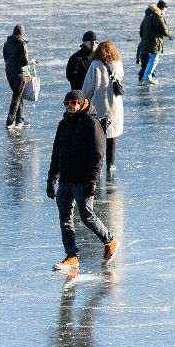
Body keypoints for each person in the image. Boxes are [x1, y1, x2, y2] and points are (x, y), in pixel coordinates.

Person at [44, 90, 116, 273]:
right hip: (66, 179)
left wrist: (92, 182)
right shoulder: (63, 124)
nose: (70, 106)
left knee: (86, 216)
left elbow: (98, 155)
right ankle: (71, 256)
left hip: (82, 180)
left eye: (73, 102)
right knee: (65, 218)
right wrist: (51, 179)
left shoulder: (92, 124)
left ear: (82, 103)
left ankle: (109, 240)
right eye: (66, 103)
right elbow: (56, 153)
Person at [84, 40, 124, 178]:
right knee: (111, 136)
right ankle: (111, 164)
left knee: (98, 137)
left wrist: (83, 101)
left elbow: (88, 87)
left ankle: (97, 163)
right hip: (115, 106)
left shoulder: (95, 65)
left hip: (99, 106)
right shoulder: (118, 64)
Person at [3, 24, 30, 128]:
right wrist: (31, 62)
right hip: (20, 74)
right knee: (17, 97)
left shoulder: (6, 43)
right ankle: (10, 121)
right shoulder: (22, 44)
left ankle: (20, 119)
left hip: (9, 72)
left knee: (18, 96)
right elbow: (24, 61)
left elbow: (5, 58)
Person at [137, 0, 170, 84]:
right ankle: (147, 77)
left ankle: (146, 76)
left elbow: (141, 30)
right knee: (154, 59)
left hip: (146, 42)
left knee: (150, 59)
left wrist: (144, 38)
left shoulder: (147, 16)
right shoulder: (157, 16)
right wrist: (169, 35)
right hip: (154, 42)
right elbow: (164, 29)